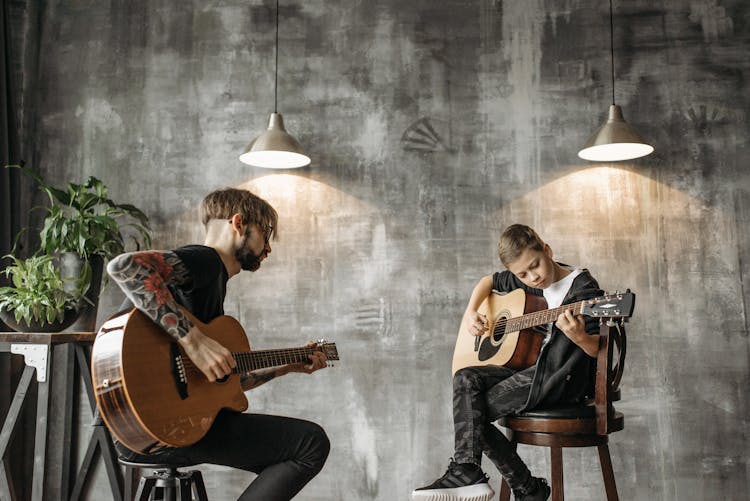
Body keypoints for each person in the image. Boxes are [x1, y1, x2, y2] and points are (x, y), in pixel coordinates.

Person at [105, 187, 330, 501]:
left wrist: (286, 367)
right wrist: (194, 342)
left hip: (145, 432)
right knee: (311, 444)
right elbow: (125, 268)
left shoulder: (211, 285)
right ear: (238, 223)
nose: (268, 249)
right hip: (160, 430)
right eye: (265, 235)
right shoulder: (206, 261)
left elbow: (213, 385)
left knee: (284, 451)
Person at [412, 224, 604, 501]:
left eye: (535, 266)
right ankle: (514, 485)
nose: (532, 278)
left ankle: (494, 479)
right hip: (532, 372)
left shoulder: (583, 290)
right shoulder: (527, 281)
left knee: (470, 413)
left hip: (561, 379)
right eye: (521, 274)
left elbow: (598, 350)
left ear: (547, 251)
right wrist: (470, 313)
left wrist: (580, 337)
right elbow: (487, 281)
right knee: (466, 378)